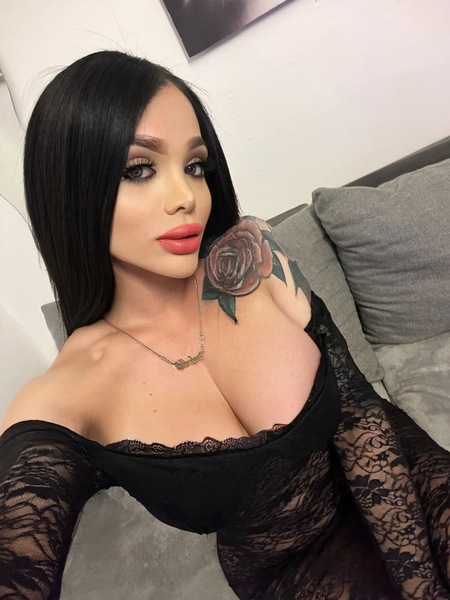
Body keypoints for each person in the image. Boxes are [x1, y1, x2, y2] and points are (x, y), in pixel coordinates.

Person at [0, 50, 449, 600]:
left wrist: (421, 585)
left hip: (397, 465)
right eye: (139, 169)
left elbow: (358, 414)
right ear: (69, 190)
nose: (186, 197)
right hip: (288, 565)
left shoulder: (251, 253)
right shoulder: (63, 397)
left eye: (194, 166)